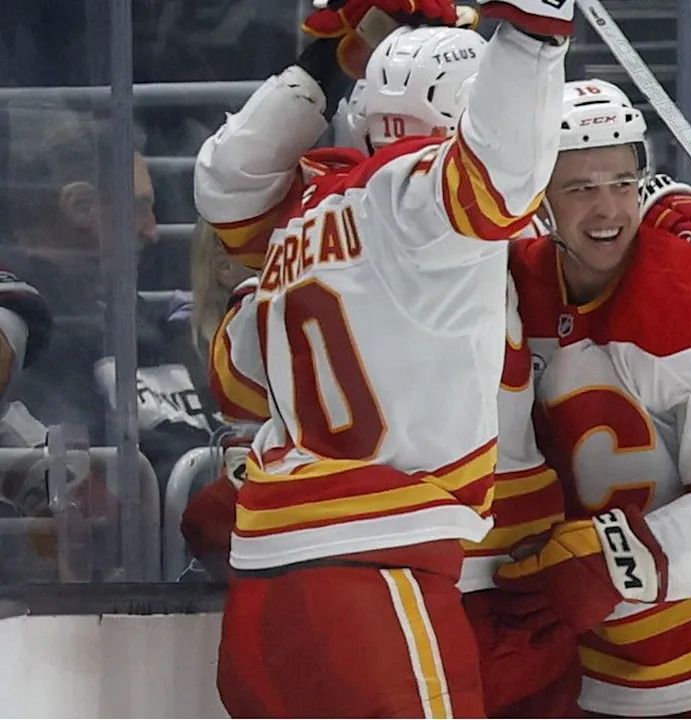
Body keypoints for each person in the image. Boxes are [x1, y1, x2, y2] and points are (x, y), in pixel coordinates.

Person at [193, 0, 574, 713]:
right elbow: (503, 175)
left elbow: (225, 190)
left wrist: (324, 61)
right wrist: (532, 35)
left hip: (267, 581)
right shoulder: (425, 201)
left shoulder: (296, 230)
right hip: (379, 575)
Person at [495, 79, 691, 718]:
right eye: (580, 189)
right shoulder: (513, 283)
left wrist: (615, 559)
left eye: (622, 183)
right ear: (540, 201)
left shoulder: (690, 299)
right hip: (598, 678)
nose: (607, 209)